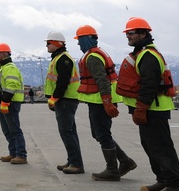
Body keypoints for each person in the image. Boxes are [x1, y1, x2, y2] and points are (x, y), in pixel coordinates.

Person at [116, 17, 179, 191]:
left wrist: (141, 108)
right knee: (150, 146)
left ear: (144, 34)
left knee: (161, 147)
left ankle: (174, 187)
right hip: (149, 108)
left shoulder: (148, 55)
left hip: (153, 108)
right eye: (127, 33)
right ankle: (162, 180)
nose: (128, 36)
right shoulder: (142, 54)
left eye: (131, 33)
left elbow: (149, 84)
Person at [74, 24, 136, 181]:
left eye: (79, 40)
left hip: (101, 100)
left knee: (102, 134)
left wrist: (107, 102)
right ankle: (125, 161)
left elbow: (102, 80)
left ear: (87, 40)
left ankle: (112, 169)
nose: (78, 44)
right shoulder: (94, 54)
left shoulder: (93, 57)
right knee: (99, 133)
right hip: (99, 100)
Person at [44, 31, 84, 174]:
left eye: (48, 43)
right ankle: (72, 160)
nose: (46, 46)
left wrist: (54, 98)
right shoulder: (59, 58)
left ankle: (76, 163)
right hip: (66, 99)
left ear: (57, 43)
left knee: (67, 131)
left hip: (66, 99)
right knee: (69, 131)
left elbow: (63, 81)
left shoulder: (63, 59)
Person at [0, 43, 27, 164]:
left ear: (4, 54)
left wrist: (5, 101)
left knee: (14, 130)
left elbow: (12, 86)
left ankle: (21, 155)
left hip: (10, 103)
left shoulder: (9, 68)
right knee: (7, 130)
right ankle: (13, 153)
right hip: (3, 103)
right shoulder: (0, 68)